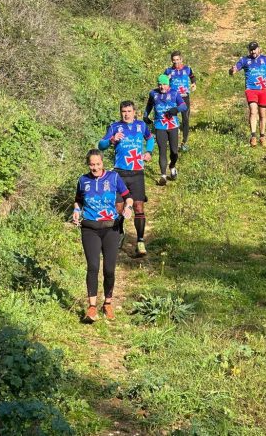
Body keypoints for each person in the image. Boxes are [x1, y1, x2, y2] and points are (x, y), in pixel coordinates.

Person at [72, 149, 134, 323]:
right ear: (88, 164)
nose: (95, 167)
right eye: (92, 164)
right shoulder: (82, 180)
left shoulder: (113, 178)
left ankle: (107, 302)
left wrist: (128, 208)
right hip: (89, 228)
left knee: (109, 269)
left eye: (97, 164)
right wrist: (76, 210)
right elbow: (78, 199)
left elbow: (128, 197)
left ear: (102, 163)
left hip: (111, 228)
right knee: (92, 266)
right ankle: (92, 307)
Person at [99, 101, 154, 257]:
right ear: (120, 112)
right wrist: (111, 140)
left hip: (137, 173)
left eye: (129, 111)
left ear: (134, 112)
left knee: (138, 207)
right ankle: (120, 233)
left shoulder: (141, 125)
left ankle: (140, 241)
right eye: (123, 111)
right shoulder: (114, 127)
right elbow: (101, 145)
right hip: (120, 173)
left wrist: (149, 152)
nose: (126, 114)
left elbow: (150, 139)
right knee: (119, 208)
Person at [228, 41, 266, 147]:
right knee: (253, 111)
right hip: (251, 90)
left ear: (259, 49)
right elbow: (234, 70)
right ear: (249, 50)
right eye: (251, 50)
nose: (253, 51)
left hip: (263, 90)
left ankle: (262, 136)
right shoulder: (244, 60)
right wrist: (232, 70)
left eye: (255, 49)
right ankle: (253, 136)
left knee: (262, 114)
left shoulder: (265, 59)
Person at [144, 74, 187, 186]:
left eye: (164, 84)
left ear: (168, 84)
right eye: (160, 84)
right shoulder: (153, 94)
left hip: (173, 126)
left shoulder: (174, 93)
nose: (162, 87)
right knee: (162, 150)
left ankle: (172, 166)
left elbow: (184, 106)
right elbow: (149, 105)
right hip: (159, 126)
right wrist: (145, 116)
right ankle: (163, 175)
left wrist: (176, 109)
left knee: (174, 151)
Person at [164, 51, 196, 151]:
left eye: (177, 60)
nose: (176, 62)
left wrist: (194, 83)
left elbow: (192, 76)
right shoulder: (168, 71)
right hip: (173, 98)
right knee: (171, 118)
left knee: (185, 119)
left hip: (184, 97)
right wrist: (166, 81)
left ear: (181, 59)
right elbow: (162, 82)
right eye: (174, 61)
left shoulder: (187, 69)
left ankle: (184, 142)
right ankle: (171, 140)